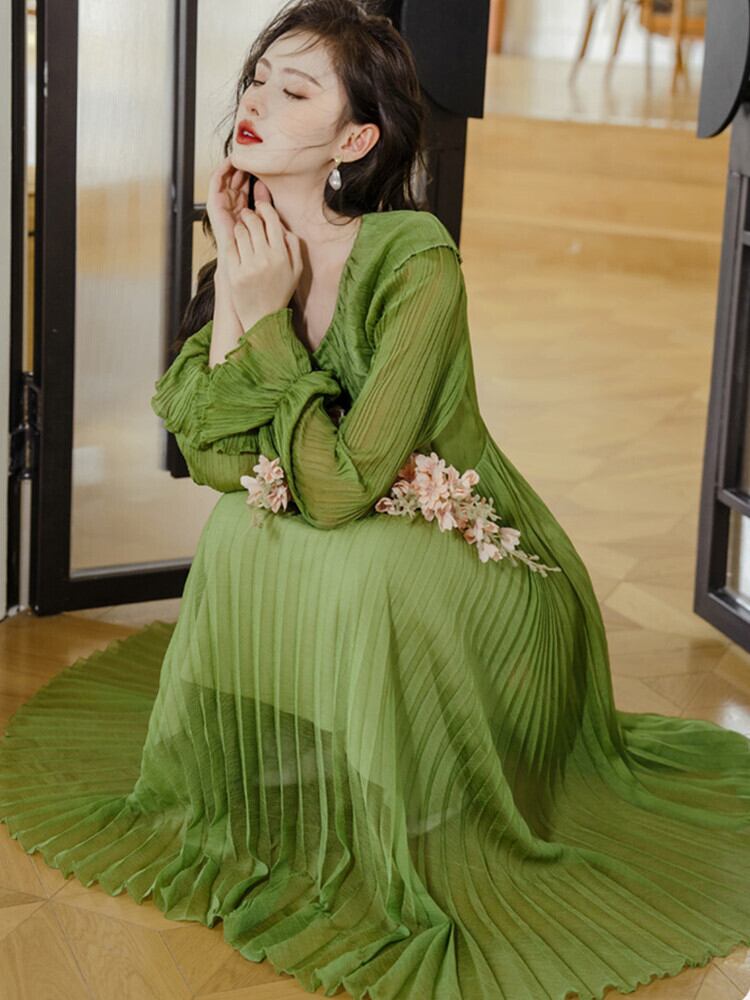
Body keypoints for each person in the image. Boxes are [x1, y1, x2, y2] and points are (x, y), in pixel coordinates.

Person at [1, 1, 749, 998]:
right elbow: (218, 464)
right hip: (358, 511)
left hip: (483, 564)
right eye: (257, 78)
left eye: (293, 89)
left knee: (369, 561)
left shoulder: (415, 261)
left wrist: (269, 326)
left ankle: (426, 795)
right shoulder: (252, 255)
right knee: (237, 532)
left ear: (354, 141)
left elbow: (339, 488)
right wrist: (241, 296)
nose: (255, 100)